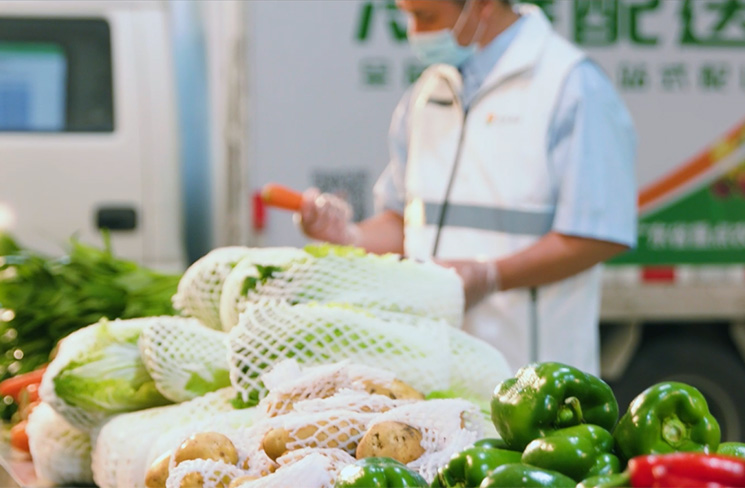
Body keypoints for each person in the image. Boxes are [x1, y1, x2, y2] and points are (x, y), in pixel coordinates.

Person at [296, 0, 637, 375]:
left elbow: (600, 234)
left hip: (532, 380)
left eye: (426, 16)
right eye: (407, 15)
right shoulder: (427, 93)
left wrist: (491, 276)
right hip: (435, 375)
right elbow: (403, 221)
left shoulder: (570, 85)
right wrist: (350, 236)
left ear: (482, 6)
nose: (414, 32)